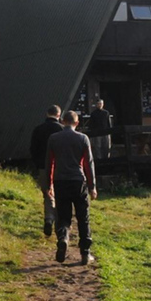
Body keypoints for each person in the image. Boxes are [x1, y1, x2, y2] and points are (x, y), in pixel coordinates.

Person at [47, 110, 97, 265]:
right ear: (77, 123)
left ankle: (63, 238)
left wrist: (49, 184)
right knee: (83, 216)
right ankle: (85, 252)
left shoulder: (54, 138)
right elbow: (88, 163)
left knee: (63, 216)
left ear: (62, 121)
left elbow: (50, 162)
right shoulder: (83, 138)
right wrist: (92, 186)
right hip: (78, 181)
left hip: (60, 181)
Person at [29, 104, 63, 237]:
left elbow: (33, 149)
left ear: (47, 114)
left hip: (43, 166)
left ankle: (48, 218)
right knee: (60, 195)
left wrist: (38, 164)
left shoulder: (38, 129)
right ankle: (59, 226)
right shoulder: (61, 129)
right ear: (59, 115)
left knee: (48, 194)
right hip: (60, 167)